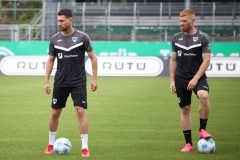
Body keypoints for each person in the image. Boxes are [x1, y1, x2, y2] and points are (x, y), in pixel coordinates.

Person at [44, 8, 98, 157]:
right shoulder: (54, 39)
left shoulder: (82, 37)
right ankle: (50, 144)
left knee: (80, 111)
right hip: (60, 81)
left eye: (62, 21)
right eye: (58, 21)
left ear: (70, 20)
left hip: (78, 82)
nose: (59, 23)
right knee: (55, 113)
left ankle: (85, 148)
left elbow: (94, 58)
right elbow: (50, 60)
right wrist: (46, 81)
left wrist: (94, 79)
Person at [169, 9, 212, 152]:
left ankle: (203, 129)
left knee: (204, 96)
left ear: (193, 21)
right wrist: (172, 80)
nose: (182, 23)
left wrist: (195, 78)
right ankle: (188, 144)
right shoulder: (176, 38)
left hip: (197, 77)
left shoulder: (203, 37)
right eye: (180, 21)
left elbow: (206, 61)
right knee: (185, 110)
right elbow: (173, 60)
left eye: (185, 21)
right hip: (181, 78)